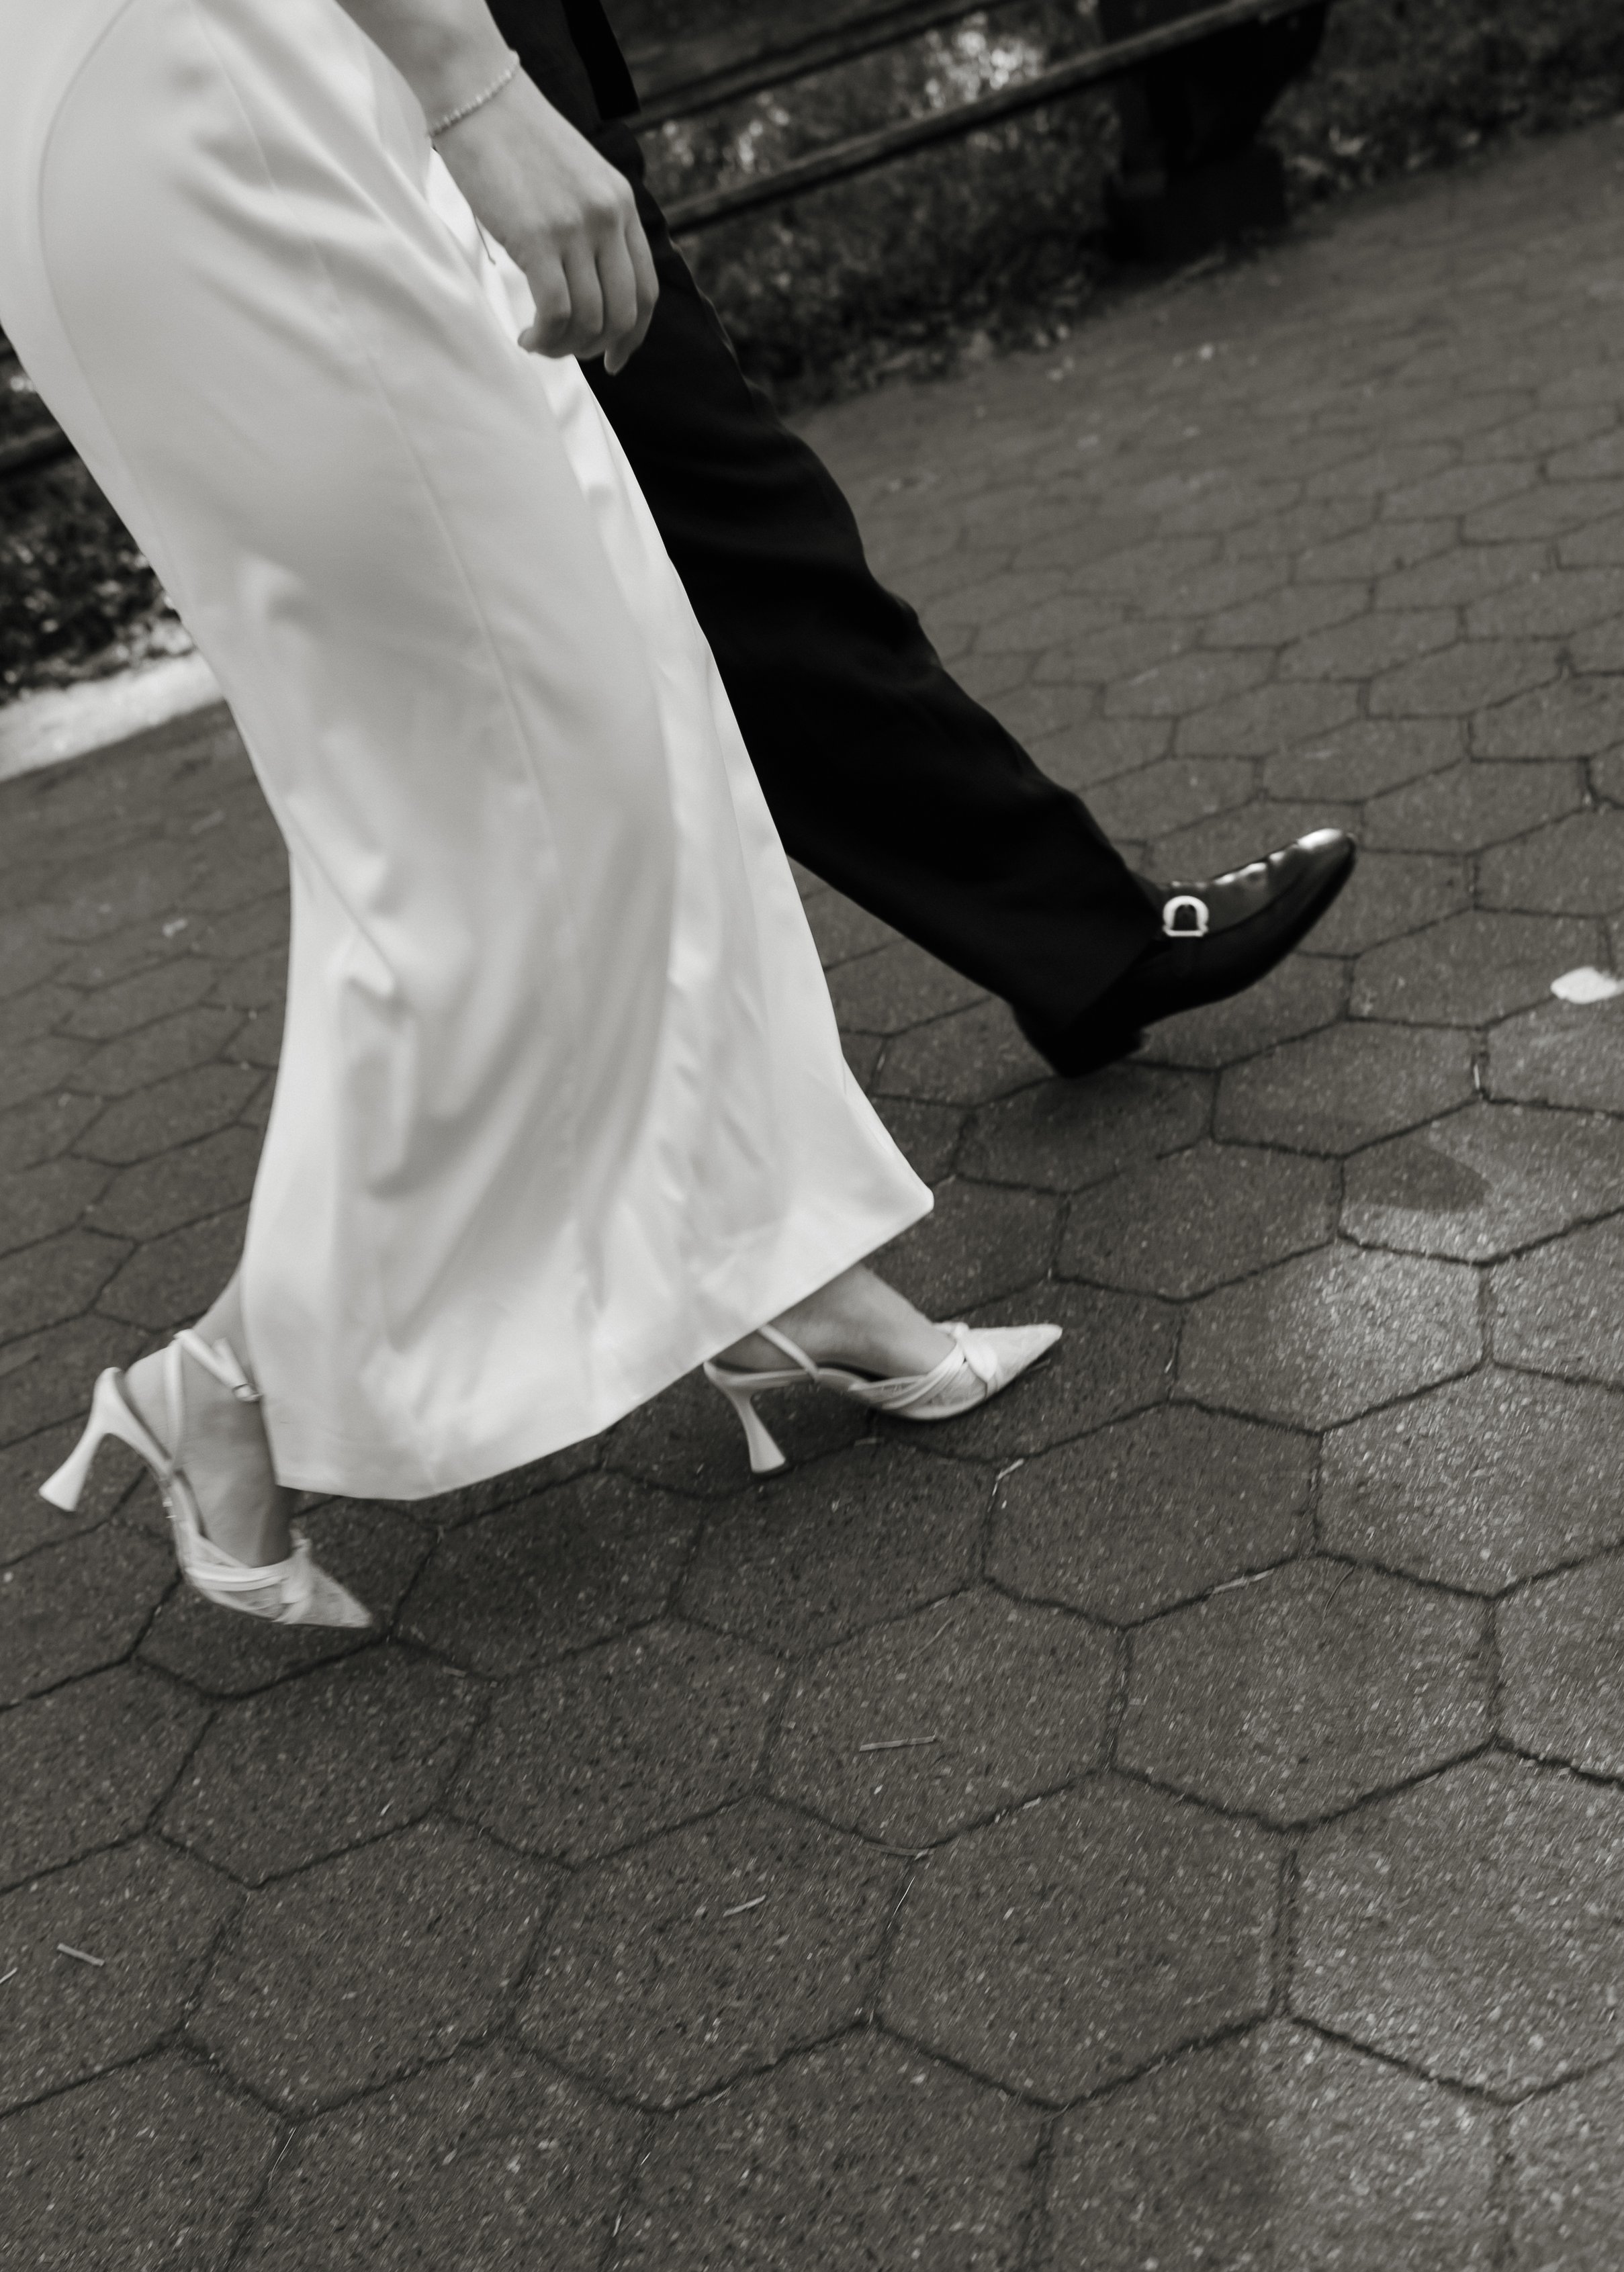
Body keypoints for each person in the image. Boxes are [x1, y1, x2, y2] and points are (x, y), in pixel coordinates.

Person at [7, 0, 1058, 1627]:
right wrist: (468, 78)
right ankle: (237, 1373)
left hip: (241, 79)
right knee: (490, 795)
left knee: (605, 708)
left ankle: (771, 1261)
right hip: (201, 91)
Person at [484, 1, 1355, 1075]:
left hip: (481, 139)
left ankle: (1065, 945)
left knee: (669, 591)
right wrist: (488, 101)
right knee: (744, 556)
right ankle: (1076, 942)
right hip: (461, 161)